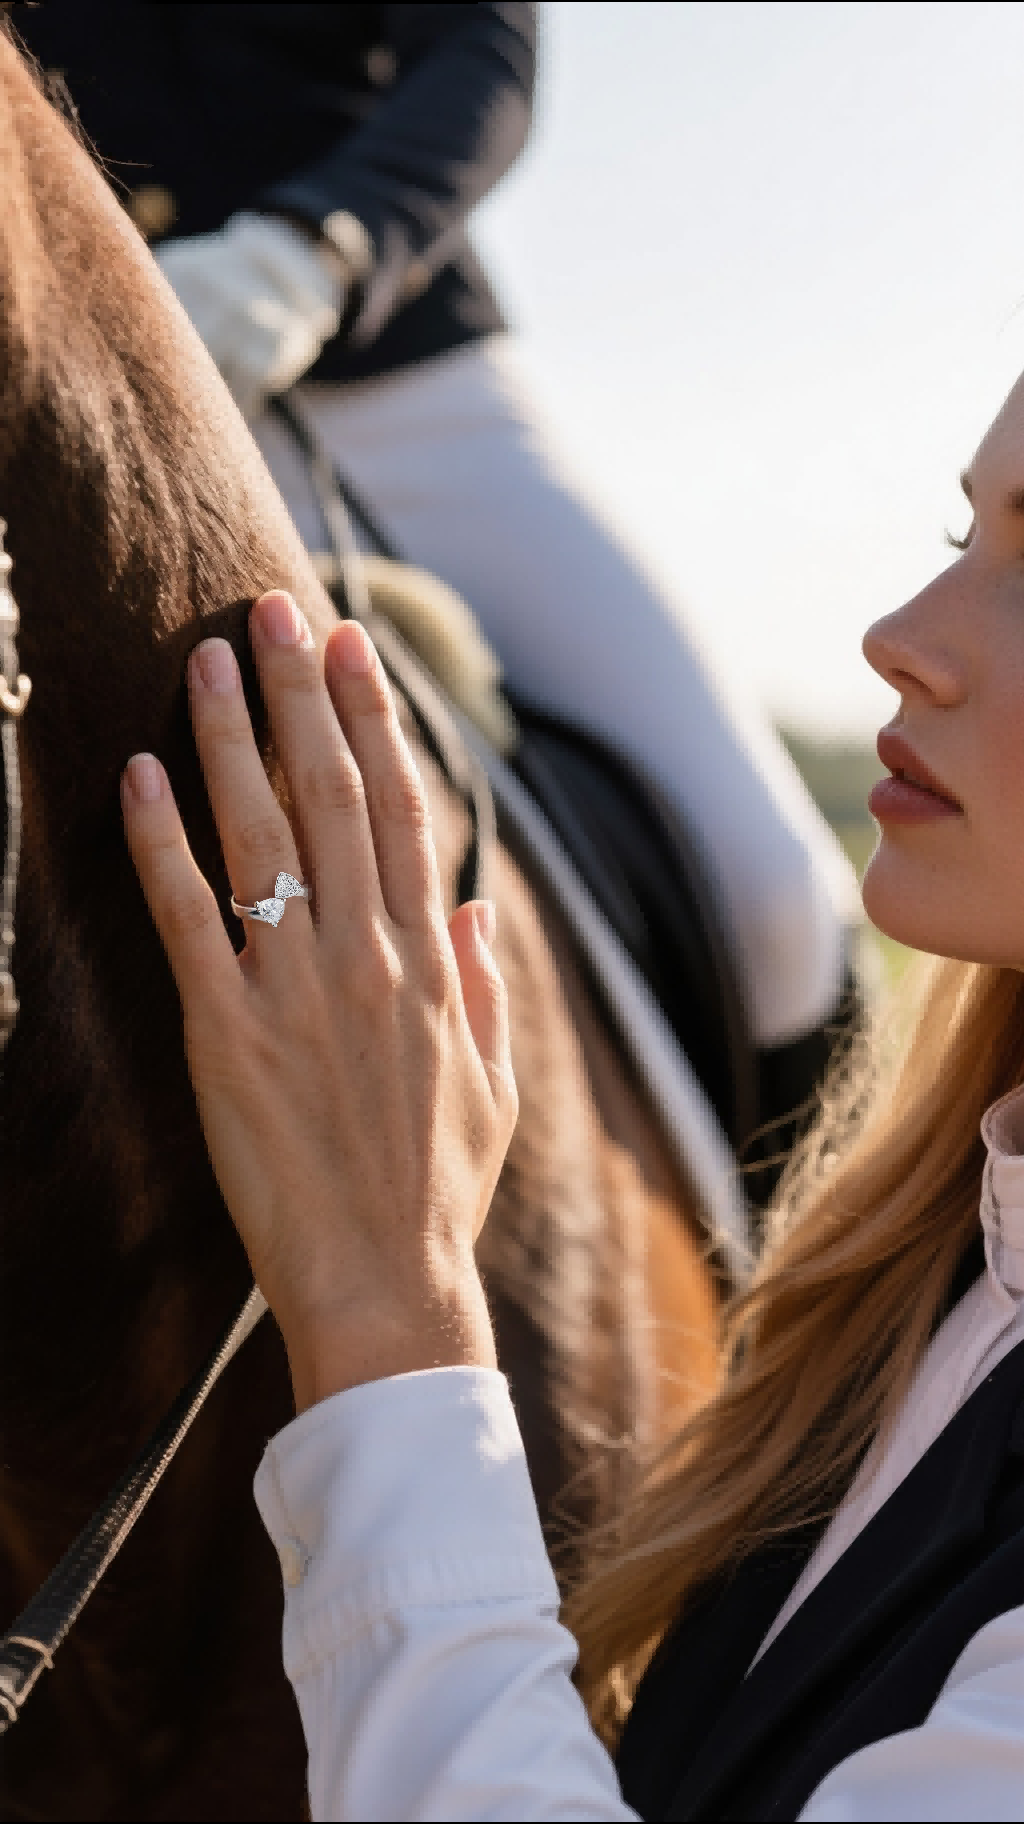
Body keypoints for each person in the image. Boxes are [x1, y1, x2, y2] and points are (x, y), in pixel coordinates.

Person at [121, 353, 1024, 1821]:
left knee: (768, 894)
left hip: (380, 354)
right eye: (959, 537)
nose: (896, 638)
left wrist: (387, 1306)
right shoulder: (953, 1265)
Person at [17, 1, 860, 1091]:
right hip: (93, 438)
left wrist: (315, 249)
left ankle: (846, 1253)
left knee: (771, 894)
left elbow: (483, 52)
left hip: (403, 389)